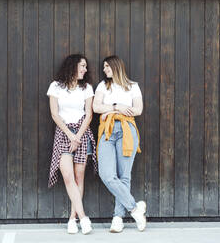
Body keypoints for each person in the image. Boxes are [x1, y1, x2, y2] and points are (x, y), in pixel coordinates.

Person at [93, 55, 146, 233]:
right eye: (103, 67)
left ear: (116, 66)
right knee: (107, 174)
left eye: (107, 66)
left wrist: (117, 109)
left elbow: (138, 110)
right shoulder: (103, 86)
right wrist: (116, 107)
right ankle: (134, 208)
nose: (104, 69)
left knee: (124, 175)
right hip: (107, 131)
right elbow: (96, 107)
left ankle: (118, 218)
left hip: (126, 130)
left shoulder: (133, 86)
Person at [47, 54, 98, 235]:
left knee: (79, 178)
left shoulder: (87, 88)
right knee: (68, 176)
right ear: (72, 66)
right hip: (63, 132)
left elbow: (89, 115)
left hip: (82, 133)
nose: (85, 69)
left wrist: (77, 136)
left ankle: (72, 219)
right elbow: (54, 114)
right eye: (82, 66)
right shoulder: (55, 86)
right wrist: (70, 135)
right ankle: (84, 218)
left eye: (85, 66)